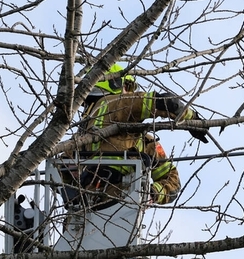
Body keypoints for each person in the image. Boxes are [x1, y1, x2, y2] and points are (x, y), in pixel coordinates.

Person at [68, 64, 205, 207]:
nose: (129, 92)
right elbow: (167, 102)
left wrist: (73, 197)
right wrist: (193, 119)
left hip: (89, 203)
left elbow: (61, 165)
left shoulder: (82, 132)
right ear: (113, 83)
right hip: (123, 198)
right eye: (127, 86)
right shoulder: (116, 103)